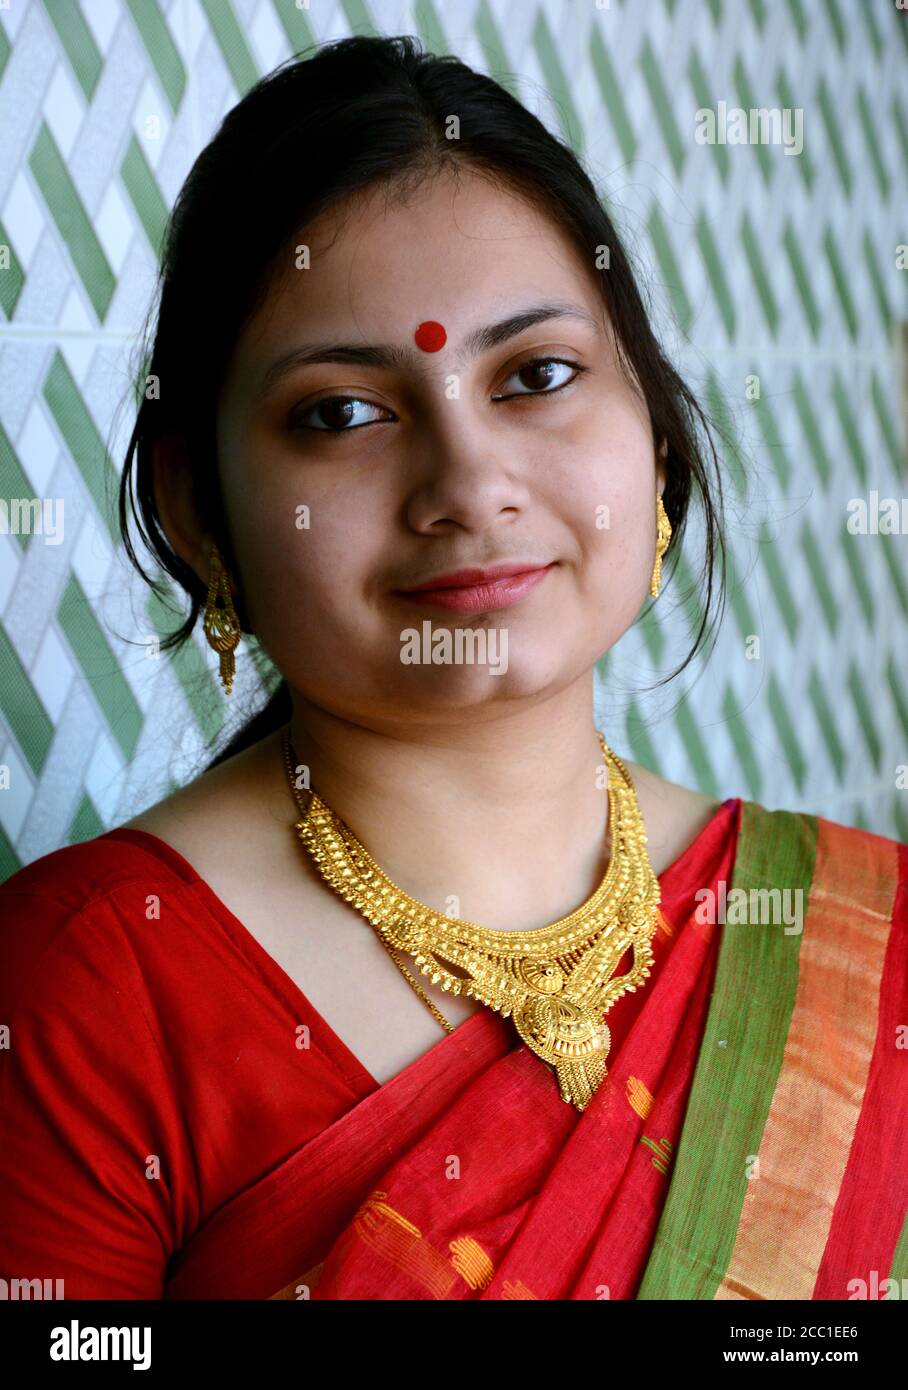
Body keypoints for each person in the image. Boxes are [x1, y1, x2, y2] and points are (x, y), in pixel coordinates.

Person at [0, 35, 904, 1303]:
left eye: (536, 376)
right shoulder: (86, 989)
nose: (469, 482)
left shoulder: (864, 935)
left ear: (650, 439)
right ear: (198, 509)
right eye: (342, 412)